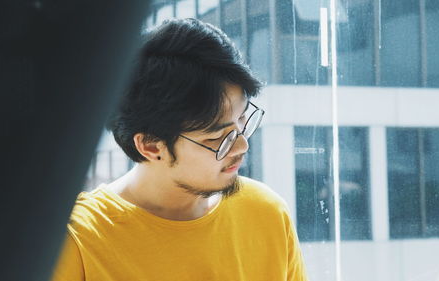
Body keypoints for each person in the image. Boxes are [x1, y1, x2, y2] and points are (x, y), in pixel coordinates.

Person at [51, 18, 308, 281]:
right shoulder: (78, 239)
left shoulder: (266, 213)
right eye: (217, 137)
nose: (242, 145)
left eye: (242, 121)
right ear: (151, 146)